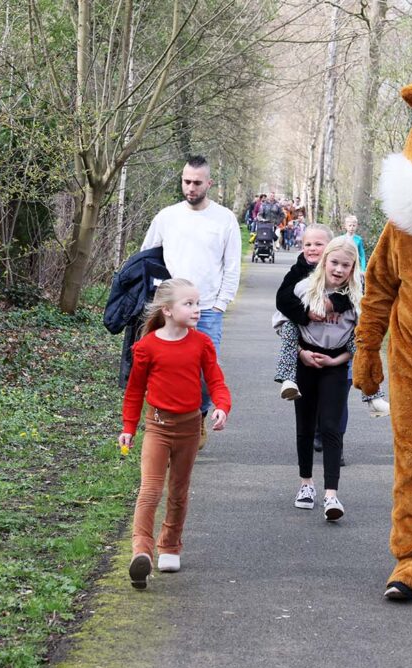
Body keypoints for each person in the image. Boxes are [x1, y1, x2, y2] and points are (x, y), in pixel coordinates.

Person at [119, 278, 232, 590]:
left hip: (189, 428)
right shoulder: (146, 347)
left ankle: (169, 545)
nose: (197, 310)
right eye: (189, 304)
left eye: (197, 303)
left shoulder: (201, 344)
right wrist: (129, 428)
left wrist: (222, 406)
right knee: (150, 490)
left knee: (179, 491)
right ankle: (141, 551)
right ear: (167, 310)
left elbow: (216, 382)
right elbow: (134, 392)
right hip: (157, 427)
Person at [140, 155, 241, 448]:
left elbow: (232, 265)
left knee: (206, 372)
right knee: (165, 368)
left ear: (209, 183)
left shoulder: (224, 219)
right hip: (169, 308)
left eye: (197, 182)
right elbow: (147, 257)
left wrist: (221, 304)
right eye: (186, 181)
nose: (191, 187)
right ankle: (167, 425)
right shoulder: (167, 216)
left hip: (207, 309)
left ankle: (198, 418)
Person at [280, 236, 366, 521]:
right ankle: (306, 484)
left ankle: (331, 494)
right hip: (305, 359)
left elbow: (361, 339)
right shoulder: (305, 289)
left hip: (336, 363)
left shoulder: (357, 296)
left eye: (346, 265)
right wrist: (302, 353)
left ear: (353, 267)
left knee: (331, 426)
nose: (339, 269)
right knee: (305, 425)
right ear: (324, 261)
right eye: (334, 263)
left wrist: (337, 360)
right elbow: (284, 323)